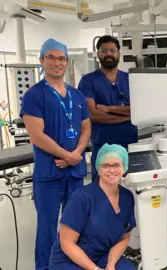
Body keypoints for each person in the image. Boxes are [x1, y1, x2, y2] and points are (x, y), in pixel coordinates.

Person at [20, 38, 91, 270]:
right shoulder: (34, 95)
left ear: (67, 62)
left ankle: (72, 265)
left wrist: (77, 152)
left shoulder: (77, 95)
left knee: (74, 225)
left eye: (61, 58)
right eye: (51, 57)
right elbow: (37, 135)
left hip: (75, 171)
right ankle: (45, 267)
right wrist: (66, 155)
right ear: (41, 60)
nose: (56, 62)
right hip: (49, 174)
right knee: (48, 228)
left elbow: (86, 127)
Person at [49, 144, 136, 270]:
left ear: (124, 167)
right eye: (105, 165)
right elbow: (67, 243)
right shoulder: (81, 198)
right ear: (98, 168)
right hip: (69, 260)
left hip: (102, 255)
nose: (112, 170)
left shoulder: (127, 197)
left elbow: (124, 237)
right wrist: (95, 269)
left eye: (116, 165)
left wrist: (111, 264)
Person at [78, 35, 138, 182]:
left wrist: (108, 108)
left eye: (112, 50)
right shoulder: (88, 81)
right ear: (98, 54)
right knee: (102, 190)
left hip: (130, 145)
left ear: (119, 53)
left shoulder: (131, 79)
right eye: (104, 50)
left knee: (130, 190)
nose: (109, 54)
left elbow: (140, 108)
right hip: (102, 146)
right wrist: (128, 114)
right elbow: (94, 115)